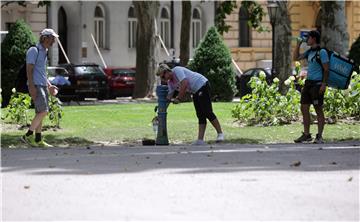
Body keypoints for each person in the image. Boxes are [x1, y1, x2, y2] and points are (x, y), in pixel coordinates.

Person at [156, 64, 224, 145]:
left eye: (163, 77)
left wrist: (178, 98)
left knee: (207, 111)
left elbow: (184, 83)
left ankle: (220, 134)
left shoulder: (177, 70)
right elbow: (168, 97)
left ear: (166, 71)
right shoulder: (171, 83)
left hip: (202, 85)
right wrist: (161, 110)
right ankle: (200, 140)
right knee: (200, 114)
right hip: (195, 91)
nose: (163, 79)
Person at [21, 28, 59, 147]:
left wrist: (49, 85)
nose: (53, 40)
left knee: (40, 112)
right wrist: (31, 86)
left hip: (42, 85)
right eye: (52, 38)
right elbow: (29, 69)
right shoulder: (34, 50)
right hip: (36, 85)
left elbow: (42, 72)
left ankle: (38, 139)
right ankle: (27, 135)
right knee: (44, 111)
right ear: (45, 38)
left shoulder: (44, 52)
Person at [293, 30, 329, 144]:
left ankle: (319, 136)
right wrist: (298, 44)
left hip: (317, 84)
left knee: (318, 109)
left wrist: (323, 84)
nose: (306, 40)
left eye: (308, 38)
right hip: (308, 83)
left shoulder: (322, 52)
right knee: (304, 108)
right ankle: (306, 135)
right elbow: (296, 58)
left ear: (313, 39)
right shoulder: (310, 52)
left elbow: (326, 69)